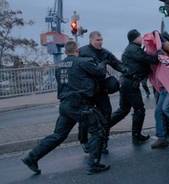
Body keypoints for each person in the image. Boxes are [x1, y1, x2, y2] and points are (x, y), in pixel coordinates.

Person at [22, 41, 110, 175]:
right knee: (97, 130)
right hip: (79, 104)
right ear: (77, 50)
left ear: (65, 51)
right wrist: (103, 63)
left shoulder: (59, 66)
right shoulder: (81, 62)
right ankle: (93, 164)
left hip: (65, 105)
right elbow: (100, 73)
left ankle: (31, 157)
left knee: (58, 135)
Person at [79, 31, 126, 153]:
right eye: (97, 40)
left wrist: (129, 71)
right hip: (87, 91)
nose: (100, 42)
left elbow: (117, 64)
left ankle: (103, 142)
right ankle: (84, 142)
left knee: (106, 114)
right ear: (91, 40)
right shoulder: (82, 52)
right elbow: (74, 68)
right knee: (85, 117)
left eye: (101, 40)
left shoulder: (105, 53)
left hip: (101, 89)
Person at [110, 29, 159, 144]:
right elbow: (150, 59)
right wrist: (159, 52)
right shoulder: (134, 50)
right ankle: (136, 136)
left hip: (127, 82)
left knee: (123, 110)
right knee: (139, 110)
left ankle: (103, 128)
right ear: (135, 38)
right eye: (140, 36)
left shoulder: (132, 49)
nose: (141, 38)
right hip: (131, 83)